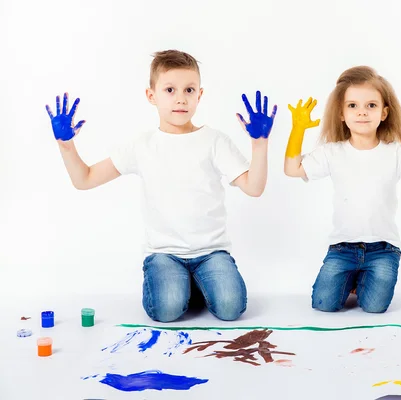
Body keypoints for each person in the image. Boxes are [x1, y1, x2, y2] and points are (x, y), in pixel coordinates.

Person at [45, 49, 277, 322]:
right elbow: (84, 180)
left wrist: (260, 144)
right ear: (151, 96)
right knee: (165, 311)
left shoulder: (214, 140)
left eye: (189, 90)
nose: (180, 98)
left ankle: (195, 284)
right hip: (164, 254)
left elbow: (254, 187)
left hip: (211, 252)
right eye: (170, 89)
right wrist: (66, 145)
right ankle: (181, 285)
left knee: (231, 308)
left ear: (200, 95)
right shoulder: (141, 146)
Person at [283, 65, 401, 313]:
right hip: (342, 247)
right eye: (352, 106)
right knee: (323, 305)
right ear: (341, 113)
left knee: (374, 307)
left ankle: (362, 279)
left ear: (384, 113)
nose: (362, 112)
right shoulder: (333, 152)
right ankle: (351, 277)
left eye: (371, 105)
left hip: (383, 249)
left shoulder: (396, 152)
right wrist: (297, 129)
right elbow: (292, 169)